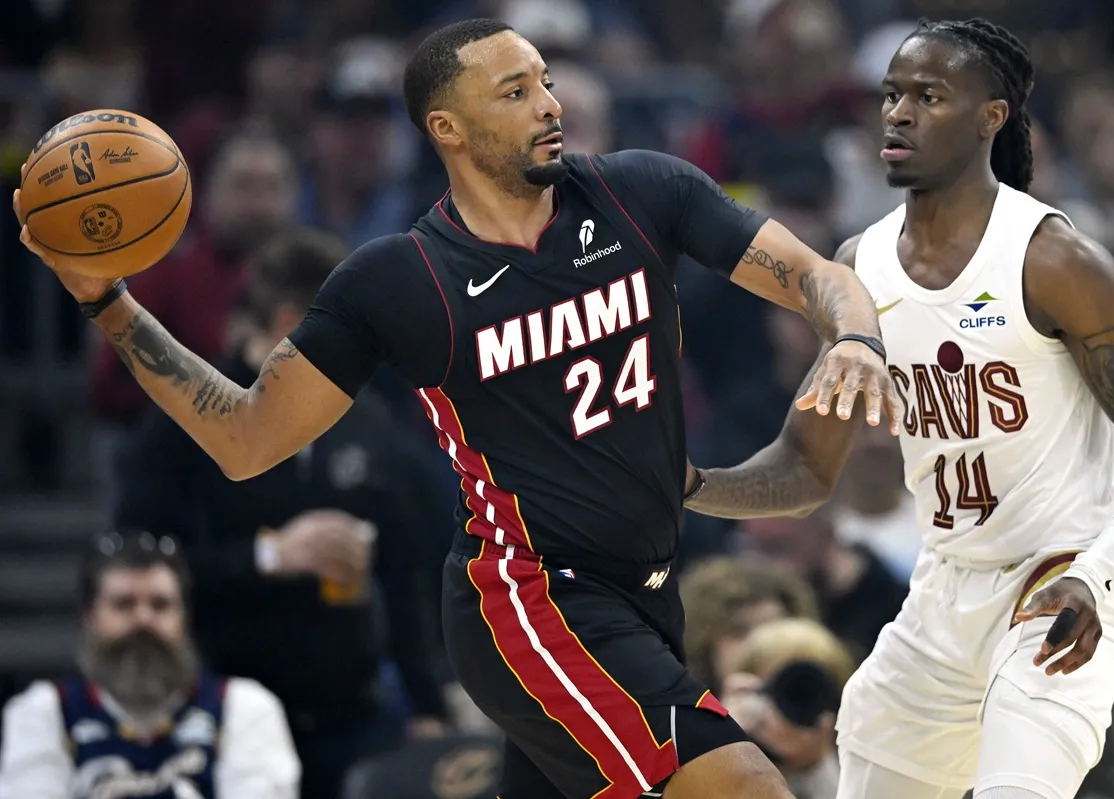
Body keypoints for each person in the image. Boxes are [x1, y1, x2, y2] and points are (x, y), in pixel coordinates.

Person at [14, 18, 901, 799]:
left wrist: (855, 337)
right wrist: (109, 304)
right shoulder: (401, 278)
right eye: (516, 92)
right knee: (741, 783)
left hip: (646, 586)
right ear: (449, 127)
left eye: (546, 82)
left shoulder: (643, 191)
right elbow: (246, 438)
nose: (548, 103)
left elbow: (822, 277)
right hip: (528, 597)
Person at [684, 17, 1114, 799]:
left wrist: (1096, 574)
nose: (897, 112)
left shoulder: (1051, 257)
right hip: (946, 586)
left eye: (928, 95)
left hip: (1061, 580)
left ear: (992, 115)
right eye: (892, 95)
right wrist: (681, 481)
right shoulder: (860, 266)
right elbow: (802, 468)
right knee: (865, 745)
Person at [112, 229, 451, 798]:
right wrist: (268, 556)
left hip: (350, 713)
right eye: (357, 331)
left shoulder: (369, 423)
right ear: (293, 321)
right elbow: (130, 566)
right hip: (217, 711)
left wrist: (425, 704)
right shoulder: (183, 423)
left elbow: (402, 574)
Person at [0, 531, 299, 799]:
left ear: (184, 618)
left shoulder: (244, 707)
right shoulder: (43, 712)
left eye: (160, 604)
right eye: (124, 604)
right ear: (88, 618)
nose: (143, 619)